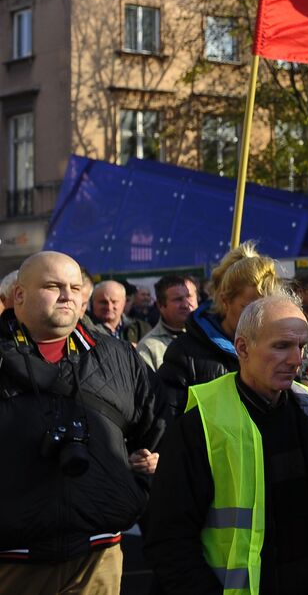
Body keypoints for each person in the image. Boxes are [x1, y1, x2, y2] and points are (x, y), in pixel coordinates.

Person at [143, 292, 308, 595]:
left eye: (301, 346)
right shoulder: (201, 421)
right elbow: (169, 539)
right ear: (242, 347)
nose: (296, 359)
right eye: (281, 346)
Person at [0, 251, 163, 592]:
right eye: (53, 285)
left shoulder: (118, 356)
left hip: (100, 555)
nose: (67, 296)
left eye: (75, 287)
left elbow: (157, 424)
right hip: (14, 560)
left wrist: (135, 487)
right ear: (19, 295)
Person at [159, 243, 288, 418]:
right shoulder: (184, 353)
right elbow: (168, 421)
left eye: (267, 308)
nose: (260, 318)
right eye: (250, 308)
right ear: (225, 300)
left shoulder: (292, 345)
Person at [137, 273, 199, 371]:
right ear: (160, 305)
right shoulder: (148, 347)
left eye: (189, 296)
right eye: (178, 299)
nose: (186, 305)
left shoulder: (212, 336)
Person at [89, 279, 149, 345]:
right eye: (103, 302)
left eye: (114, 302)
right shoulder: (85, 330)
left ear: (124, 302)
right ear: (93, 303)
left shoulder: (142, 329)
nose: (109, 307)